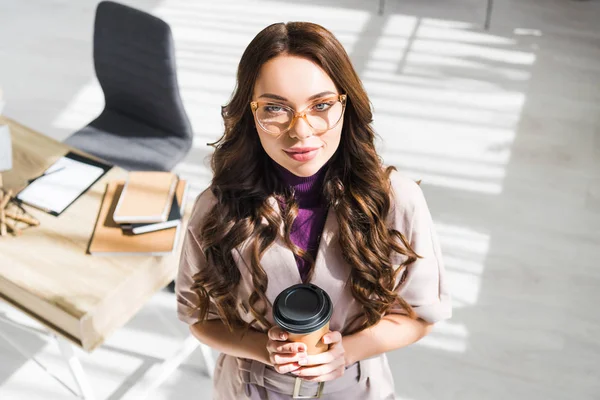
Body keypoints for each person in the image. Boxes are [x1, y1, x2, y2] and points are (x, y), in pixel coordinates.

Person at [176, 21, 451, 400]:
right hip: (249, 389)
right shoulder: (216, 209)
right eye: (275, 108)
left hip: (355, 388)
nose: (301, 132)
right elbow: (199, 318)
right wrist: (263, 349)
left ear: (346, 104)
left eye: (320, 105)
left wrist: (345, 352)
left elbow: (420, 317)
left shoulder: (396, 202)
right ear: (250, 113)